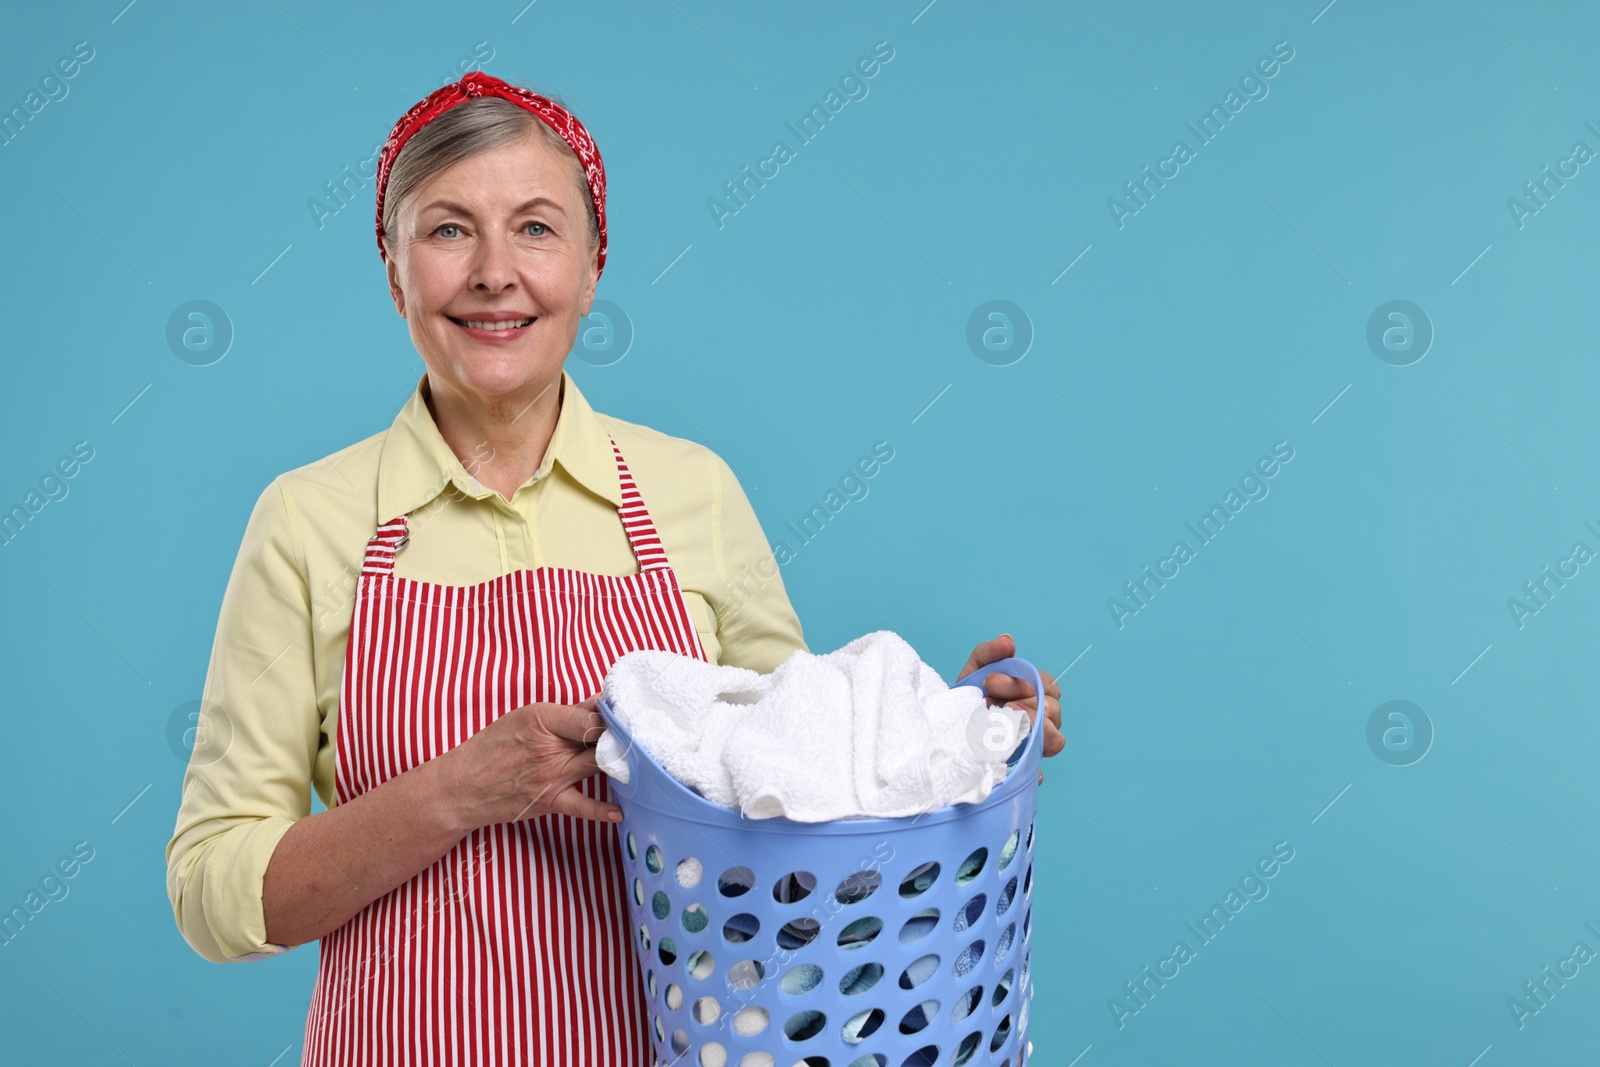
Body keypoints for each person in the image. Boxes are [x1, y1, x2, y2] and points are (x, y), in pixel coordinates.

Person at [165, 71, 1064, 1066]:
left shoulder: (694, 493)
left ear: (593, 268)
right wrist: (462, 789)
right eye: (449, 229)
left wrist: (946, 736)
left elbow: (802, 821)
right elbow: (213, 891)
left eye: (537, 229)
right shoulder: (307, 520)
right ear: (393, 270)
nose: (495, 273)